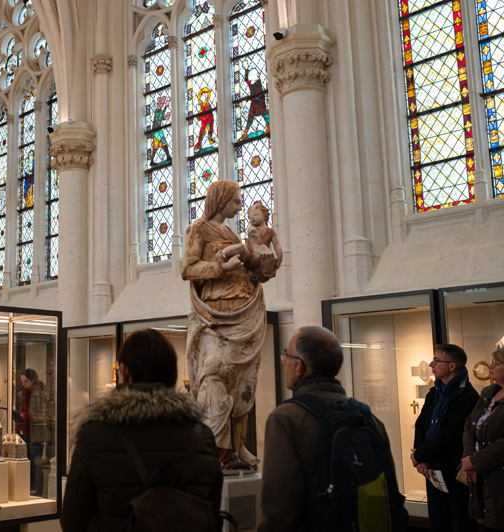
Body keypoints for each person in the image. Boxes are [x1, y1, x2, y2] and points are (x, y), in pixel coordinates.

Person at [61, 329, 223, 531]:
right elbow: (212, 509)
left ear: (124, 371)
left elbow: (73, 519)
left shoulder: (95, 434)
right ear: (172, 375)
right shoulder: (202, 435)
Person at [258, 326, 399, 531]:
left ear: (300, 367)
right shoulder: (369, 419)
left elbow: (279, 510)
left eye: (286, 355)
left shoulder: (286, 419)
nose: (283, 361)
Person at [182, 179, 277, 470]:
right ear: (221, 201)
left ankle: (237, 446)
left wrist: (263, 263)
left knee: (243, 382)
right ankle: (214, 450)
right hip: (216, 314)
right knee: (215, 375)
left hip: (244, 310)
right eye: (236, 201)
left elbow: (252, 267)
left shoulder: (231, 232)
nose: (240, 206)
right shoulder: (198, 229)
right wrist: (221, 267)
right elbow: (188, 268)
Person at [412, 344, 478, 532]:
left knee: (460, 521)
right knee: (438, 521)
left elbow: (452, 435)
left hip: (453, 469)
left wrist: (420, 455)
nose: (431, 364)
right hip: (432, 469)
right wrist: (421, 458)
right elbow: (421, 424)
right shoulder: (435, 392)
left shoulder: (467, 396)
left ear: (452, 366)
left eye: (436, 360)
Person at [461, 347, 504, 532]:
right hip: (482, 477)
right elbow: (469, 426)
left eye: (496, 363)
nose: (490, 366)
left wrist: (475, 461)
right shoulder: (489, 393)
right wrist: (470, 459)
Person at [15, 368, 49, 495]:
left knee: (37, 464)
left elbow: (45, 416)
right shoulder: (21, 395)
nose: (24, 385)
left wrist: (29, 415)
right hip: (23, 434)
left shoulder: (42, 395)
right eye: (22, 382)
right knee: (26, 464)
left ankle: (38, 491)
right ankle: (27, 489)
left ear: (33, 381)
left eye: (26, 381)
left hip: (36, 435)